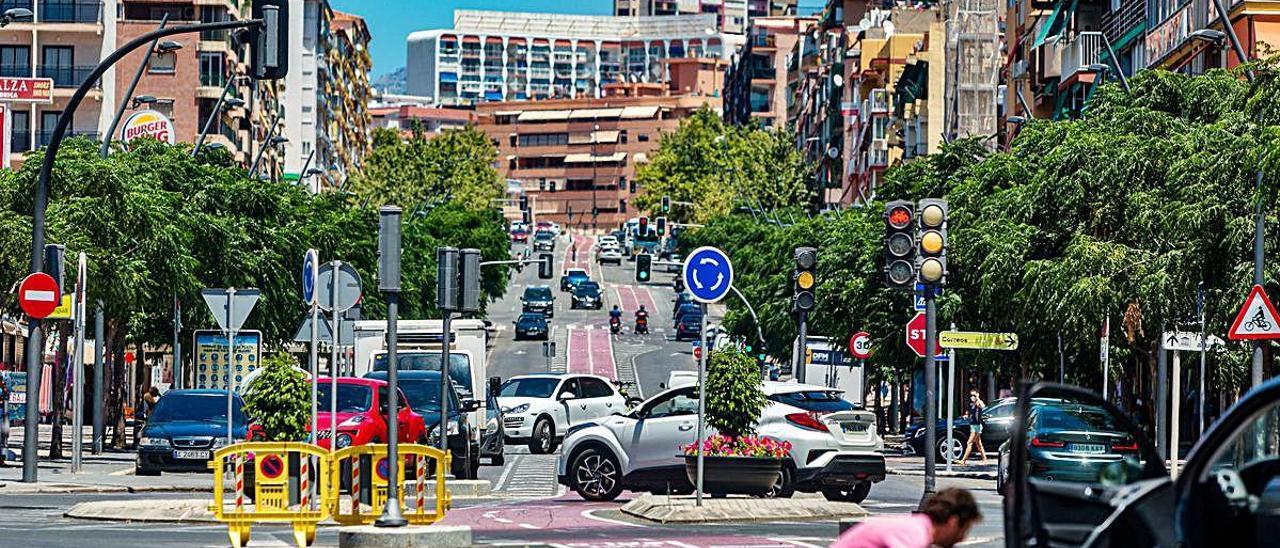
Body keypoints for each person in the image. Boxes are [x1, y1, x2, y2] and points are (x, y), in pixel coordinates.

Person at [831, 487, 981, 548]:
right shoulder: (915, 533)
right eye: (965, 529)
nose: (962, 539)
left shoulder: (917, 526)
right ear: (953, 523)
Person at [958, 390, 988, 466]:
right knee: (978, 444)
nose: (972, 397)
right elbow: (972, 415)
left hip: (977, 426)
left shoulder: (978, 403)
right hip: (973, 425)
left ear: (977, 395)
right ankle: (985, 460)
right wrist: (966, 417)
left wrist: (978, 398)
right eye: (971, 395)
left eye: (974, 395)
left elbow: (983, 406)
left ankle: (963, 460)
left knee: (969, 442)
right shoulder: (972, 405)